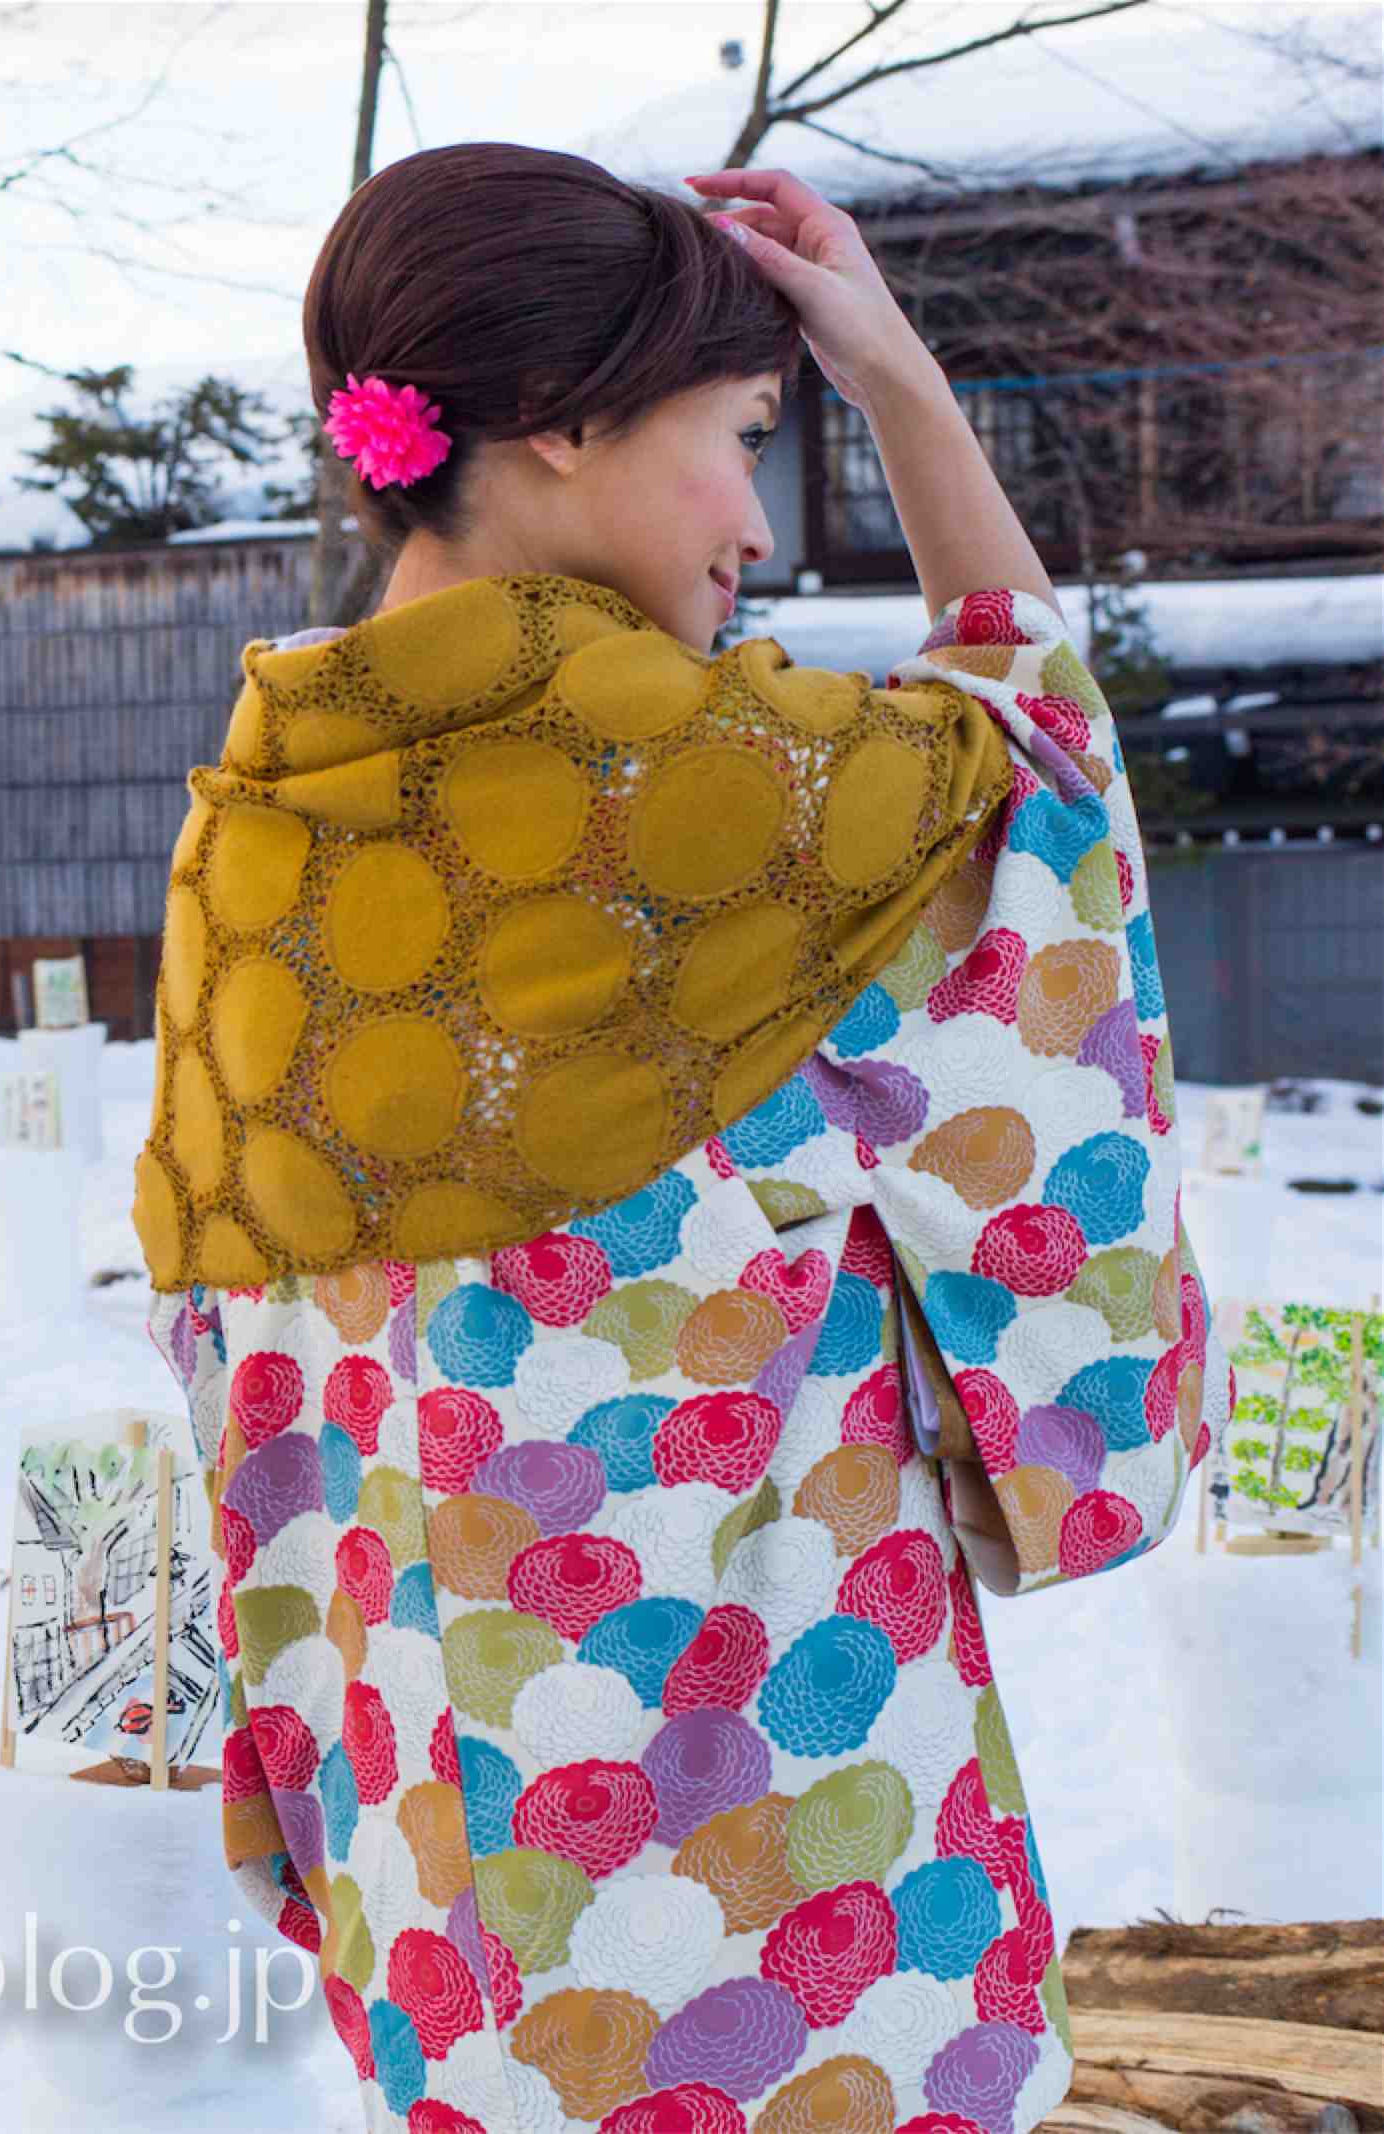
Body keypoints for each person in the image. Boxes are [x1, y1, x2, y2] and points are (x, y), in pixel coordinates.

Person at [134, 145, 1222, 2134]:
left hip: (457, 1869)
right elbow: (1034, 755)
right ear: (554, 426)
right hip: (781, 1853)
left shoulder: (250, 832)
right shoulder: (720, 786)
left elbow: (252, 1397)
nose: (747, 516)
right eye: (734, 436)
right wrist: (893, 371)